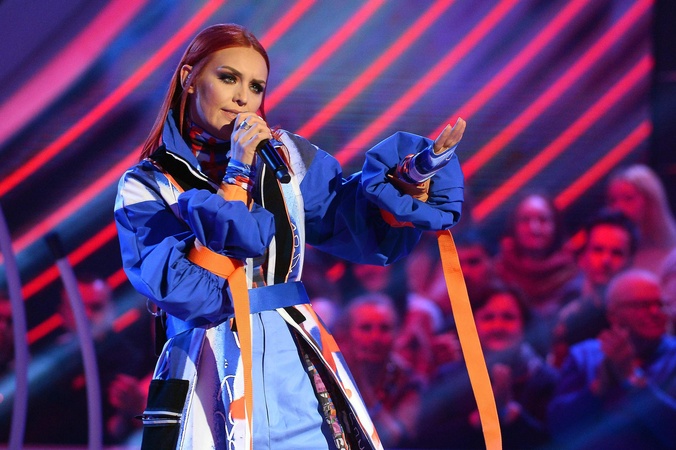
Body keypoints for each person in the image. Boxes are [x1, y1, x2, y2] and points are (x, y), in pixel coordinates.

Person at [113, 23, 466, 450]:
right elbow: (183, 291)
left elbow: (349, 219)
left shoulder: (286, 158)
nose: (243, 98)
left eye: (256, 87)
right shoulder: (146, 184)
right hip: (207, 368)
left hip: (293, 364)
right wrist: (237, 174)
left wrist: (414, 174)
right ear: (189, 78)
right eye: (229, 78)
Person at [409, 282, 558, 449]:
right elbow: (425, 442)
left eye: (508, 317)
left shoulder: (545, 381)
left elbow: (561, 441)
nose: (498, 326)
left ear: (524, 326)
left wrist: (510, 414)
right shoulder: (448, 379)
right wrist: (476, 421)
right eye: (488, 318)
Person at [547, 269, 676, 449]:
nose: (655, 312)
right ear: (613, 315)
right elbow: (558, 430)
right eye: (642, 305)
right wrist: (597, 389)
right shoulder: (584, 356)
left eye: (660, 304)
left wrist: (633, 381)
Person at [493, 191, 582, 356]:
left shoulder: (575, 277)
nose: (534, 228)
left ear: (556, 225)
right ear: (513, 226)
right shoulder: (497, 273)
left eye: (543, 220)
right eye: (525, 220)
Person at [549, 210, 638, 368]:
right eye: (598, 250)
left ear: (631, 261)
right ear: (584, 256)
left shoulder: (639, 316)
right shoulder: (564, 308)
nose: (606, 260)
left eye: (617, 253)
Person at [337, 293, 423, 448]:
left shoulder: (405, 379)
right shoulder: (329, 374)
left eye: (385, 328)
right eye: (365, 328)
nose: (375, 338)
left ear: (397, 334)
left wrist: (362, 387)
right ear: (347, 334)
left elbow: (397, 438)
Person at [606, 164, 676, 274]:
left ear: (650, 201)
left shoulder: (671, 253)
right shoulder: (608, 254)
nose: (618, 208)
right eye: (613, 201)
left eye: (628, 199)